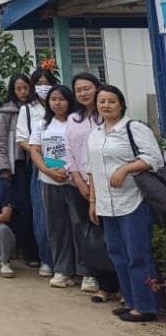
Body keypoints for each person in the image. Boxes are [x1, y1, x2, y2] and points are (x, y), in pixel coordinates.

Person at [87, 85, 164, 323]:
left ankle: (146, 306)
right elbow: (92, 169)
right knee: (117, 254)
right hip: (107, 204)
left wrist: (126, 168)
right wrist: (93, 201)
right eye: (102, 101)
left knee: (137, 255)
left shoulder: (134, 128)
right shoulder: (95, 133)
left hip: (133, 201)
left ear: (121, 104)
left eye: (111, 101)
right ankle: (130, 301)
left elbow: (154, 158)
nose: (106, 105)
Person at [29, 84, 80, 288]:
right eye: (53, 99)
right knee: (56, 228)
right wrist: (47, 171)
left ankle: (87, 272)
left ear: (69, 101)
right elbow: (35, 150)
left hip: (74, 181)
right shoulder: (42, 125)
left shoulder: (77, 122)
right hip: (49, 181)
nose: (57, 103)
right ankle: (62, 270)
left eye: (61, 99)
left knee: (79, 225)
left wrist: (69, 170)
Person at [64, 73, 105, 294]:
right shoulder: (73, 119)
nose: (83, 93)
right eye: (78, 90)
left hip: (106, 183)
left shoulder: (105, 115)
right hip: (78, 183)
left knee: (105, 229)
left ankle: (111, 279)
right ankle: (90, 273)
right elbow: (68, 150)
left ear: (97, 88)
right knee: (83, 229)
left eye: (87, 88)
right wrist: (78, 180)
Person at [0, 73, 41, 268]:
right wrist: (4, 168)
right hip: (18, 165)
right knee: (24, 209)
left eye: (26, 88)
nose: (23, 92)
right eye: (18, 88)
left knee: (39, 208)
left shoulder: (39, 108)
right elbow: (0, 143)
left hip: (38, 162)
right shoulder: (7, 111)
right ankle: (28, 251)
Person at [19, 67, 56, 276]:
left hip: (62, 164)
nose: (43, 87)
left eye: (46, 83)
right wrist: (39, 153)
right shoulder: (27, 109)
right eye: (39, 83)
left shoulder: (61, 105)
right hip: (38, 164)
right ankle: (47, 259)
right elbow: (22, 139)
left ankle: (68, 261)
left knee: (63, 215)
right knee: (42, 214)